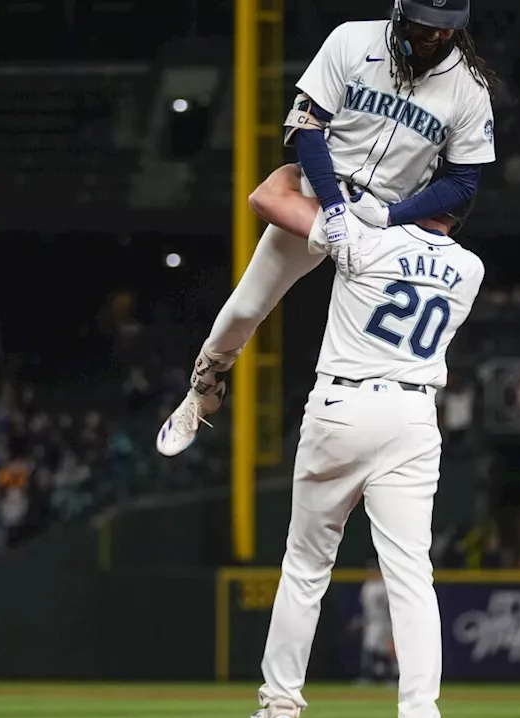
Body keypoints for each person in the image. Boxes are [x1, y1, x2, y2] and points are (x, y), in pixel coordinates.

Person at [156, 0, 497, 455]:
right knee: (244, 308)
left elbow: (463, 181)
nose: (435, 36)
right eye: (425, 25)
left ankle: (385, 441)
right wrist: (334, 209)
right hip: (325, 194)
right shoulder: (351, 40)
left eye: (446, 28)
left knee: (376, 348)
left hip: (391, 223)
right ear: (399, 12)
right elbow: (308, 127)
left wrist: (394, 217)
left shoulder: (468, 86)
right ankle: (204, 387)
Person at [244, 164, 484, 718]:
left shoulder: (366, 232)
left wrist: (317, 172)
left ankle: (280, 706)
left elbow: (267, 198)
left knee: (306, 566)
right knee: (411, 574)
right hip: (413, 416)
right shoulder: (471, 268)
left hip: (344, 405)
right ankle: (420, 712)